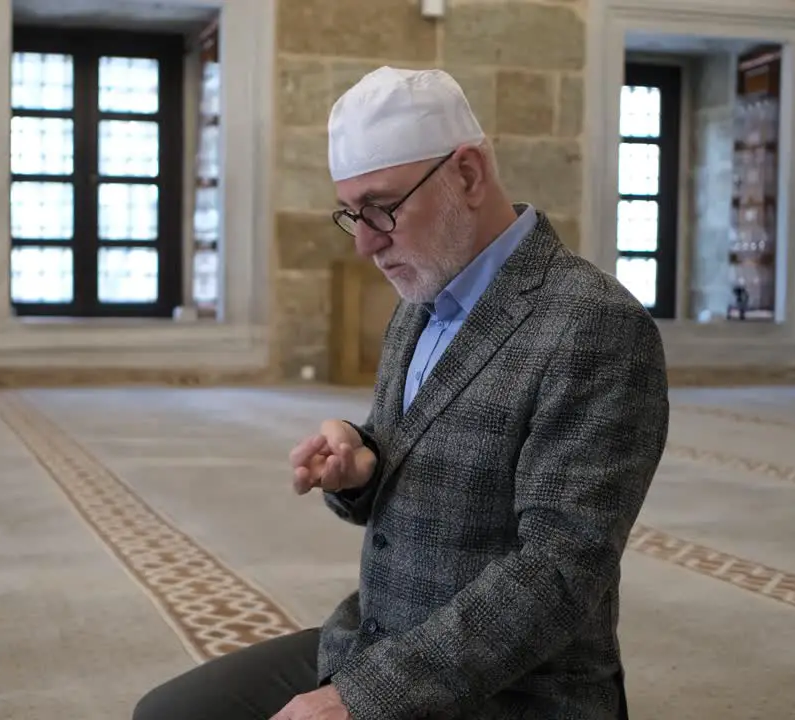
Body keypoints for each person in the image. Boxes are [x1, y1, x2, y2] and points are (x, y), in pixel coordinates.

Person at [133, 67, 669, 720]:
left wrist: (359, 700)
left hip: (516, 692)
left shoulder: (592, 322)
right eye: (351, 214)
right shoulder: (420, 300)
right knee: (170, 714)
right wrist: (362, 463)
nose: (364, 243)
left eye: (383, 207)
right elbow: (423, 454)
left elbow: (558, 574)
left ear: (468, 175)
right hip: (375, 640)